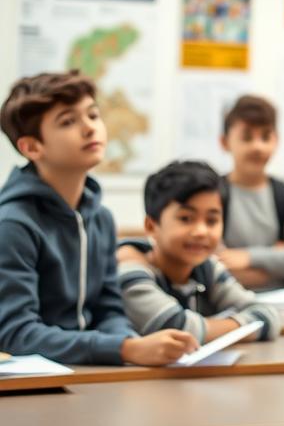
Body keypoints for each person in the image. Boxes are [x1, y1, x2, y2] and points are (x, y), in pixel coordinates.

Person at [0, 71, 196, 365]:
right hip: (34, 381)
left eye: (93, 115)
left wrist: (129, 343)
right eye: (68, 121)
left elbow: (108, 309)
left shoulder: (101, 218)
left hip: (90, 370)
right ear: (31, 147)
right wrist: (124, 349)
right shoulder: (13, 224)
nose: (90, 128)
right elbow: (17, 334)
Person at [118, 159, 281, 343]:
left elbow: (269, 316)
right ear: (151, 226)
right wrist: (242, 327)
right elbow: (177, 329)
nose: (201, 231)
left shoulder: (207, 268)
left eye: (211, 221)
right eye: (186, 218)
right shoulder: (129, 270)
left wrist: (209, 328)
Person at [217, 95, 284, 291]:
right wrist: (280, 260)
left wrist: (247, 257)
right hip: (228, 305)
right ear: (224, 142)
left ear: (277, 140)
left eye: (266, 137)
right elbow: (212, 266)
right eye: (247, 137)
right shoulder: (213, 194)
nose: (258, 146)